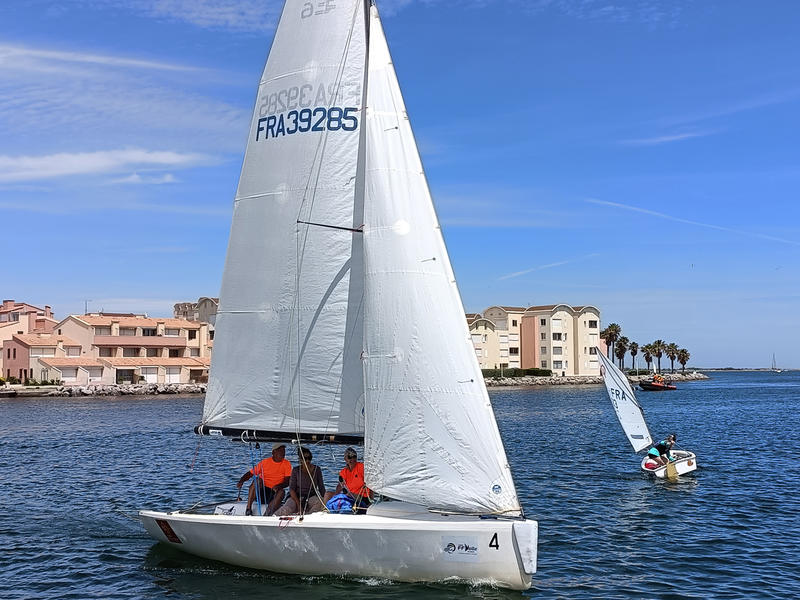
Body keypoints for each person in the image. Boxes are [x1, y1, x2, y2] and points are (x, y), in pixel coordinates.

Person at [236, 442, 291, 516]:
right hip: (262, 492)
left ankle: (267, 514)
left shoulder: (287, 464)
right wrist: (241, 481)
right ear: (273, 452)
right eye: (280, 451)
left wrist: (279, 486)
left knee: (282, 491)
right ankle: (248, 509)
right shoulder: (265, 462)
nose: (283, 453)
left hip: (275, 493)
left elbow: (288, 481)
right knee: (258, 480)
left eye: (284, 451)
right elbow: (250, 473)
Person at [274, 446, 326, 516]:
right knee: (287, 508)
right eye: (305, 458)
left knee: (319, 502)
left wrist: (325, 501)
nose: (307, 461)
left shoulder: (317, 469)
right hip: (295, 496)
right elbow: (292, 489)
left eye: (309, 458)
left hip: (310, 496)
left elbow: (321, 488)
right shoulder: (296, 470)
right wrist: (299, 505)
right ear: (300, 460)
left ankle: (308, 517)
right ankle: (273, 518)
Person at [323, 447, 372, 513]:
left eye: (354, 456)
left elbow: (370, 481)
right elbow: (340, 485)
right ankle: (327, 511)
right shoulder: (344, 472)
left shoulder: (361, 467)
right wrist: (336, 495)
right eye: (349, 457)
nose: (352, 459)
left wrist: (371, 500)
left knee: (348, 494)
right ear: (345, 459)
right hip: (349, 496)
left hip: (362, 497)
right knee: (327, 494)